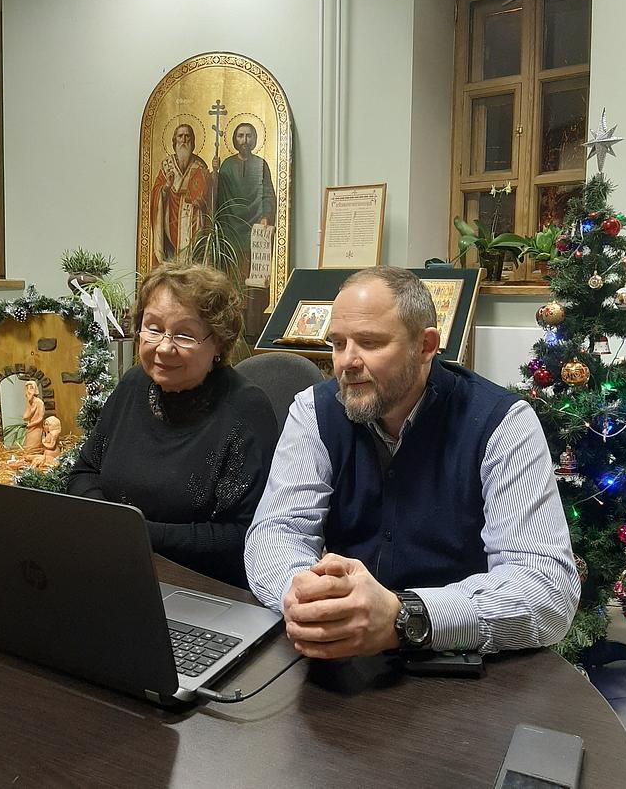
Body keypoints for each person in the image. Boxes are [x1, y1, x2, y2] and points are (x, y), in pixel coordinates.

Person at [245, 266, 580, 659]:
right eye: (337, 343)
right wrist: (306, 596)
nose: (346, 362)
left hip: (458, 663)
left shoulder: (501, 423)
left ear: (425, 346)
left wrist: (404, 616)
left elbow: (546, 589)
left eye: (369, 343)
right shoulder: (314, 412)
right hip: (341, 660)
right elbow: (275, 531)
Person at [66, 262, 278, 587]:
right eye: (153, 328)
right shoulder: (134, 384)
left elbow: (240, 535)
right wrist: (111, 525)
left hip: (204, 587)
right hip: (118, 567)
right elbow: (84, 472)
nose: (164, 347)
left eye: (184, 335)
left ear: (218, 343)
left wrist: (136, 532)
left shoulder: (245, 410)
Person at [215, 122, 276, 274]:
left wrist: (266, 216)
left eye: (249, 136)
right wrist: (215, 173)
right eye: (240, 136)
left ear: (254, 139)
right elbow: (218, 197)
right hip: (231, 230)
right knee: (232, 273)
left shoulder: (261, 165)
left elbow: (268, 194)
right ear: (235, 139)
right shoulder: (227, 166)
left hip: (254, 226)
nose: (245, 140)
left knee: (253, 275)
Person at [150, 124, 210, 266]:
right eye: (180, 136)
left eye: (187, 136)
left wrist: (202, 200)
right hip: (170, 220)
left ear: (192, 140)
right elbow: (156, 194)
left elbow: (207, 196)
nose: (184, 140)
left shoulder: (200, 165)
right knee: (173, 260)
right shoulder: (167, 165)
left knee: (192, 260)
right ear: (174, 140)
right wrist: (166, 187)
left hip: (193, 221)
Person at [22, 380, 45, 449]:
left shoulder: (39, 402)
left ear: (35, 390)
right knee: (29, 446)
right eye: (27, 388)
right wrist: (32, 411)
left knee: (34, 446)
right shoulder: (29, 403)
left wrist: (31, 424)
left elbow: (40, 418)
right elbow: (25, 417)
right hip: (30, 428)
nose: (29, 391)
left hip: (37, 428)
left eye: (31, 388)